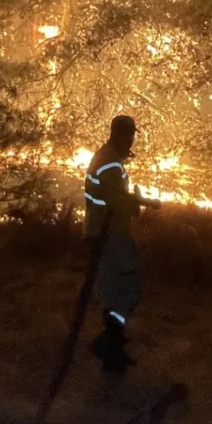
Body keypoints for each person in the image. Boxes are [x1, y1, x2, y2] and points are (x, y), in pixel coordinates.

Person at [84, 115, 160, 373]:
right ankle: (109, 341)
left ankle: (112, 351)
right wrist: (138, 205)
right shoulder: (111, 166)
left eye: (132, 135)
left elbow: (109, 195)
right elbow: (116, 201)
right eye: (129, 135)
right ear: (118, 134)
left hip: (101, 233)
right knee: (129, 286)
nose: (131, 140)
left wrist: (137, 200)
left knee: (112, 291)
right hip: (112, 235)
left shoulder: (105, 159)